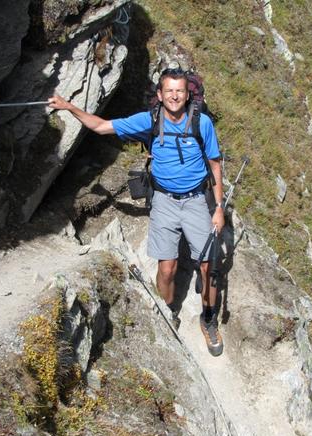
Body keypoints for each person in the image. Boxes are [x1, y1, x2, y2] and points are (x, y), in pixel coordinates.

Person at [48, 67, 225, 356]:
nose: (175, 96)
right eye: (169, 91)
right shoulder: (150, 120)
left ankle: (209, 320)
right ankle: (168, 312)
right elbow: (101, 126)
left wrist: (218, 208)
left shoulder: (201, 123)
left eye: (179, 91)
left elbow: (215, 164)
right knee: (167, 268)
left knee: (209, 267)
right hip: (164, 201)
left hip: (195, 199)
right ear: (160, 95)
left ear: (187, 95)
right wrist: (69, 107)